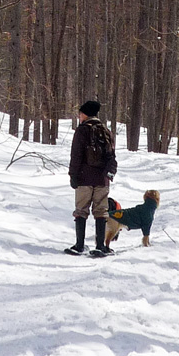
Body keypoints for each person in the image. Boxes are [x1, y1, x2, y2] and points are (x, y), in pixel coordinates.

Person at [65, 100, 117, 255]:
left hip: (84, 178)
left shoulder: (82, 131)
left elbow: (76, 156)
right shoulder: (106, 131)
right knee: (101, 211)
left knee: (81, 210)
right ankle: (100, 246)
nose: (79, 116)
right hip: (102, 180)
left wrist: (73, 175)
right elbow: (112, 157)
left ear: (85, 114)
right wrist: (108, 175)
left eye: (80, 113)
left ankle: (79, 245)